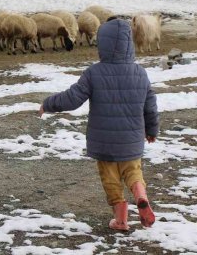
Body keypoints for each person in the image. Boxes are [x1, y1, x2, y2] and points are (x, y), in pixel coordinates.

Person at [38, 18, 158, 231]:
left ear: (102, 43)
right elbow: (150, 105)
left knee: (111, 179)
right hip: (131, 140)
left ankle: (121, 220)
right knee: (133, 171)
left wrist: (48, 104)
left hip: (105, 143)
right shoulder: (140, 73)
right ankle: (140, 194)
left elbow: (72, 99)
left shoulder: (94, 73)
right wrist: (151, 130)